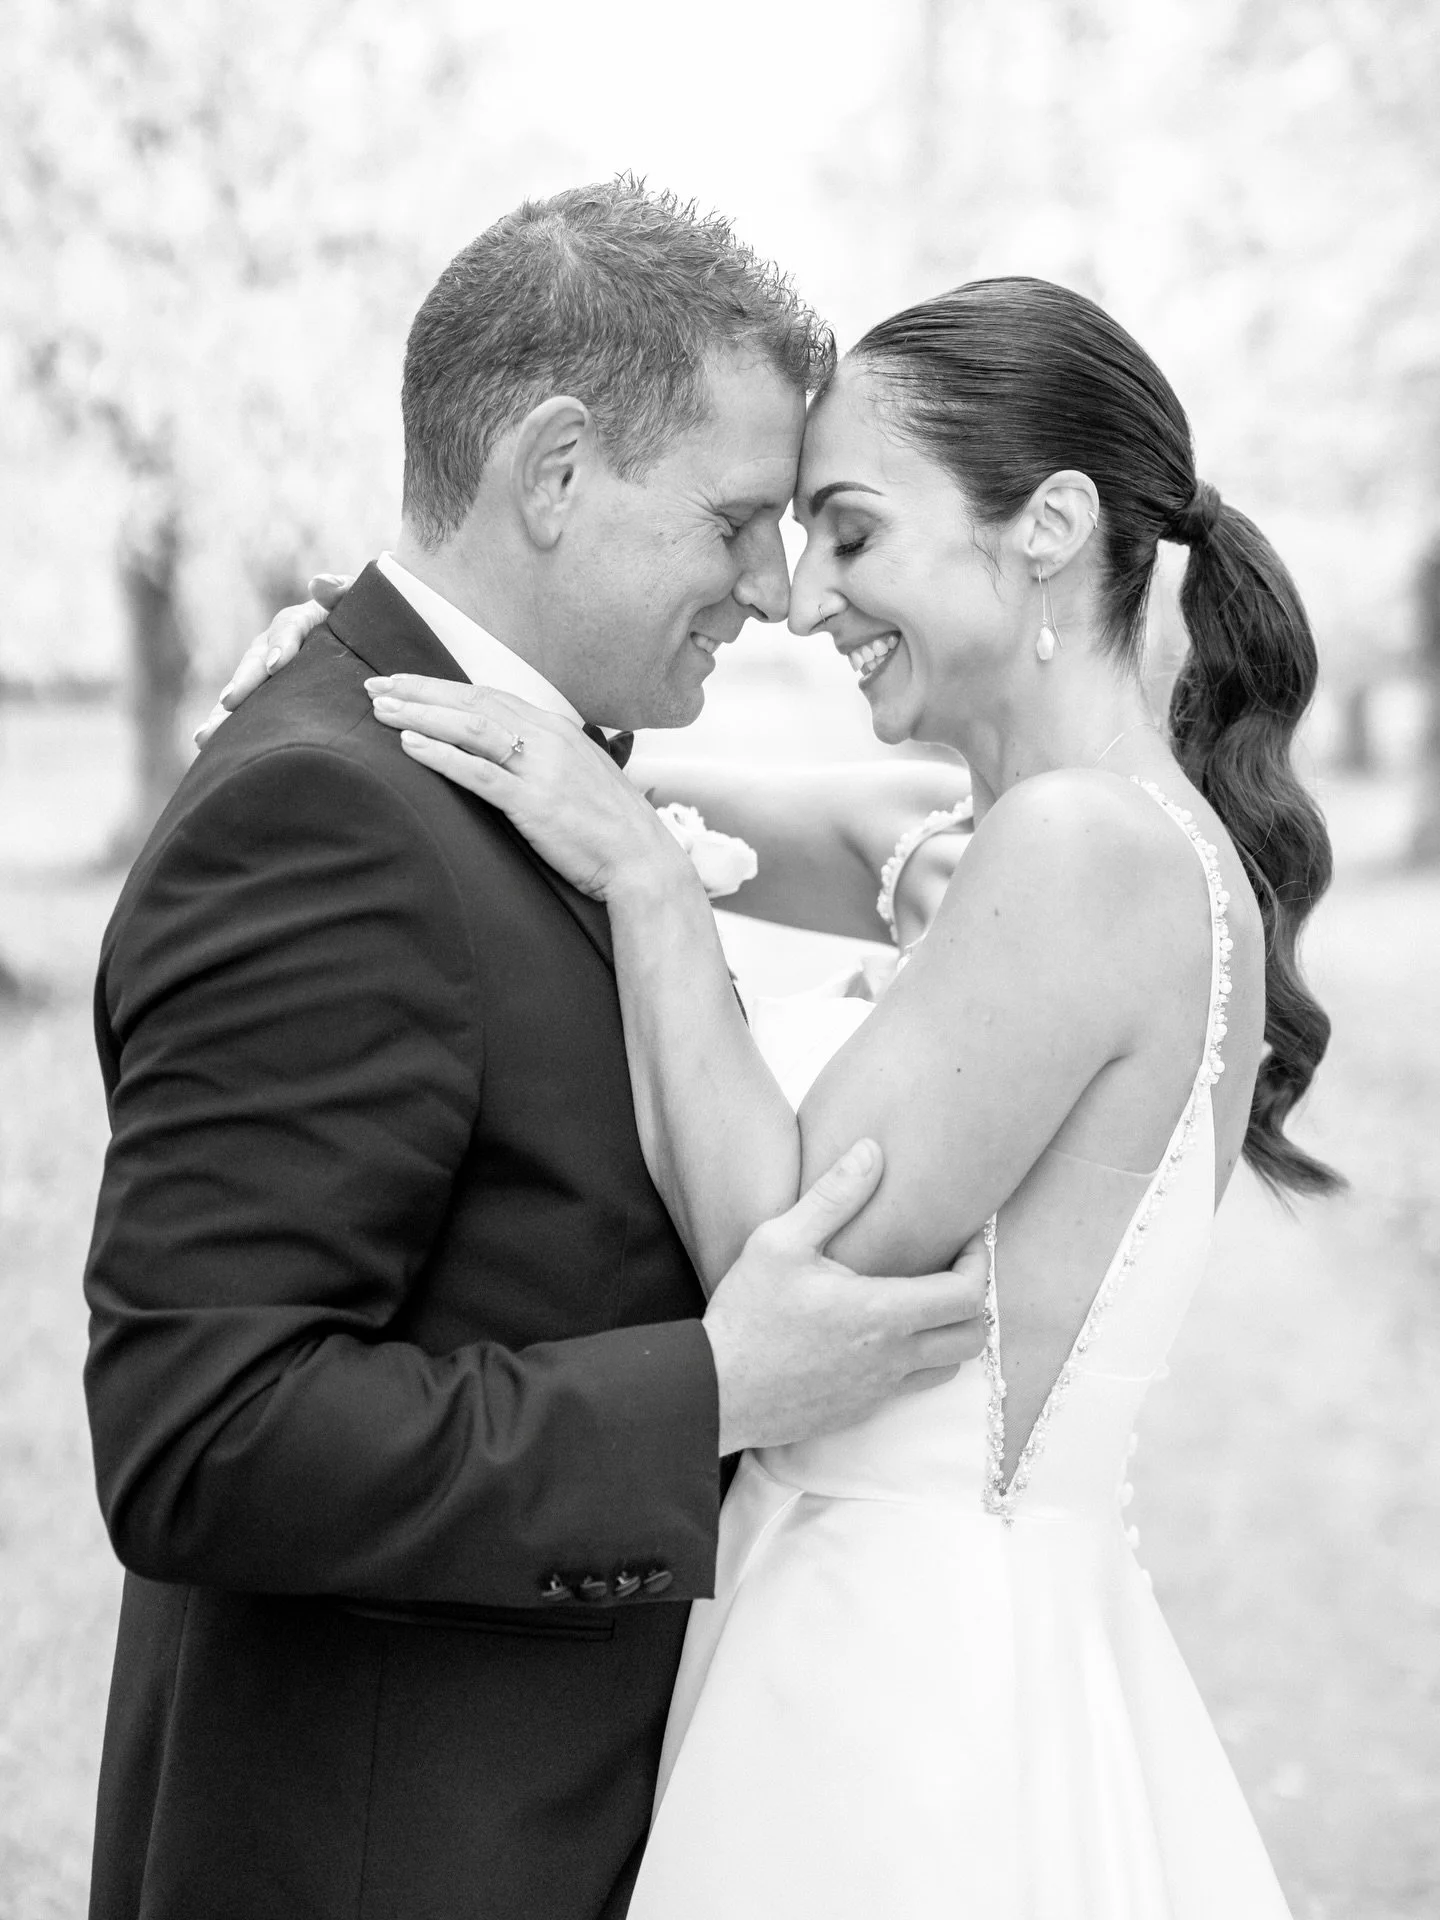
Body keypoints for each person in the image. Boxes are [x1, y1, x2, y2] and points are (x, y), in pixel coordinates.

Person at [259, 275, 1339, 1915]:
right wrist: (398, 689)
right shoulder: (1068, 834)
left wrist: (644, 882)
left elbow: (777, 1256)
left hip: (896, 1689)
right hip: (942, 1616)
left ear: (1047, 525)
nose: (800, 596)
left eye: (848, 531)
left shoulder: (1075, 855)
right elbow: (770, 808)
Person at [81, 181, 992, 1920]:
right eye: (736, 519)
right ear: (557, 472)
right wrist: (718, 1389)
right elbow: (202, 1435)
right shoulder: (322, 817)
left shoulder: (524, 768)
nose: (776, 588)